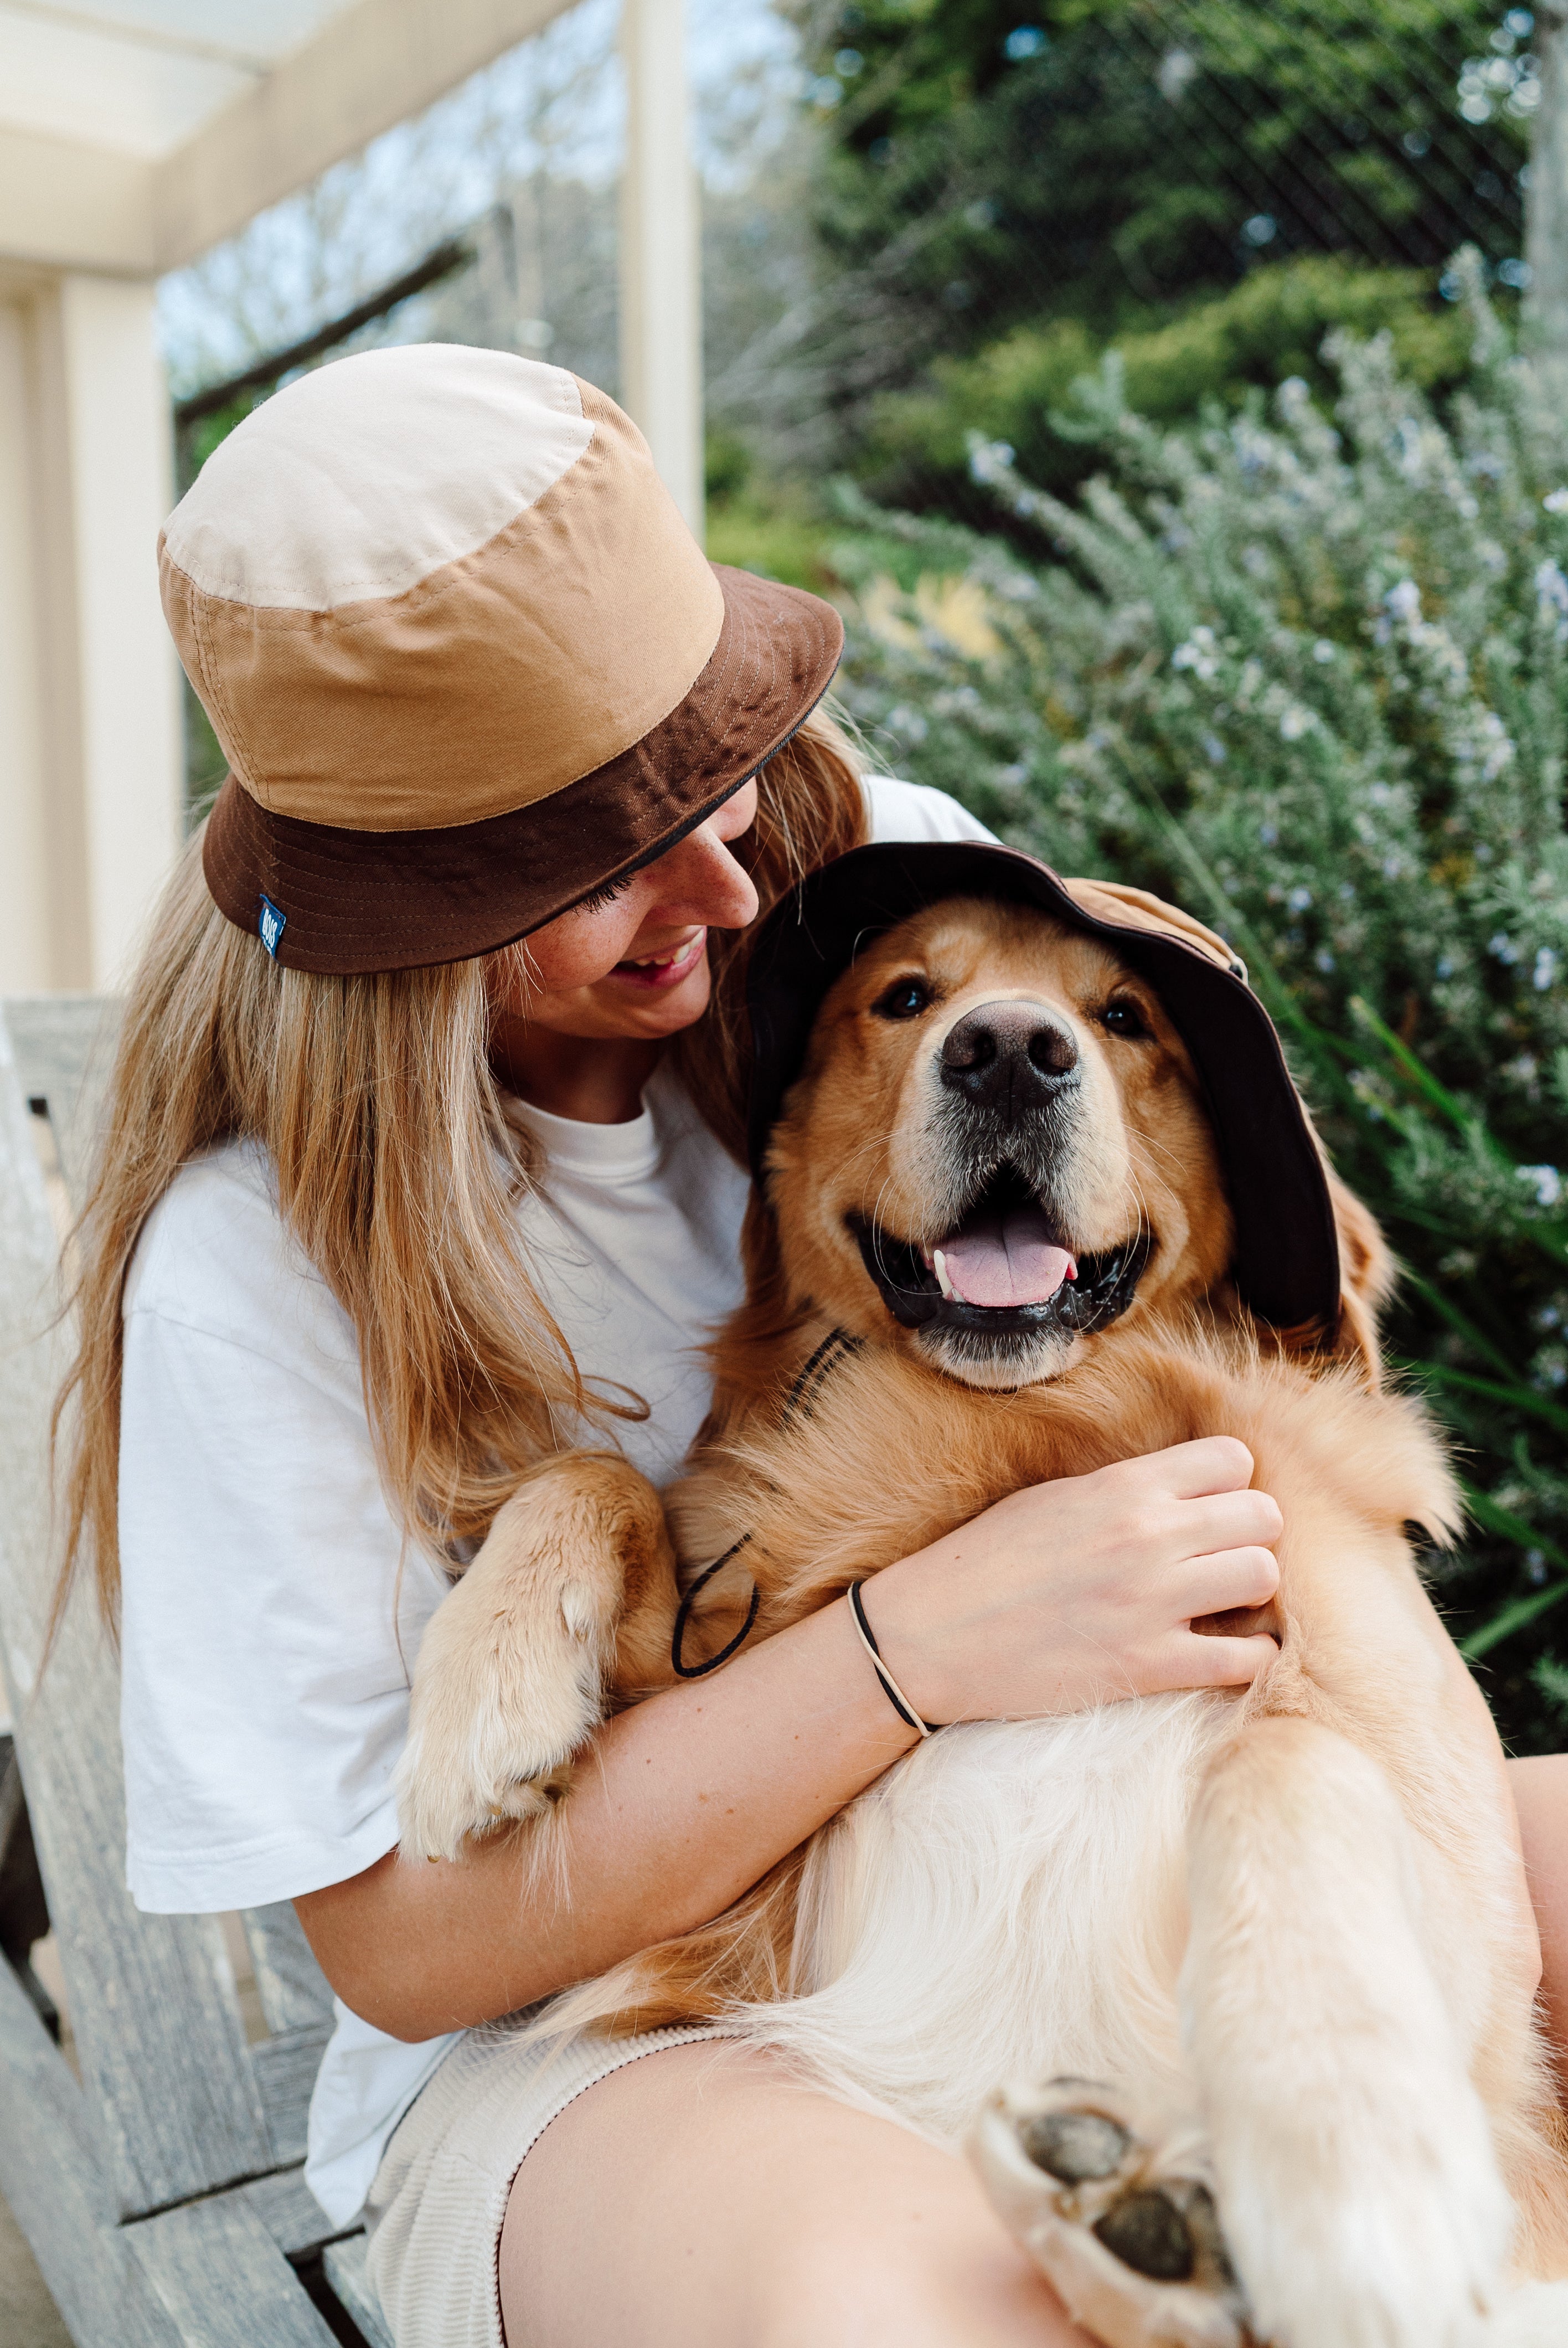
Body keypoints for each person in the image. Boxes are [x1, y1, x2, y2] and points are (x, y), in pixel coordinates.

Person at [58, 344, 1567, 2348]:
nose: (725, 887)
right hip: (607, 2036)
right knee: (886, 2301)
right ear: (402, 919)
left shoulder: (860, 898)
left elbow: (1264, 1364)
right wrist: (919, 1647)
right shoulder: (249, 1276)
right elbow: (410, 1954)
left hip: (1108, 1833)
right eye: (597, 858)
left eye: (715, 770)